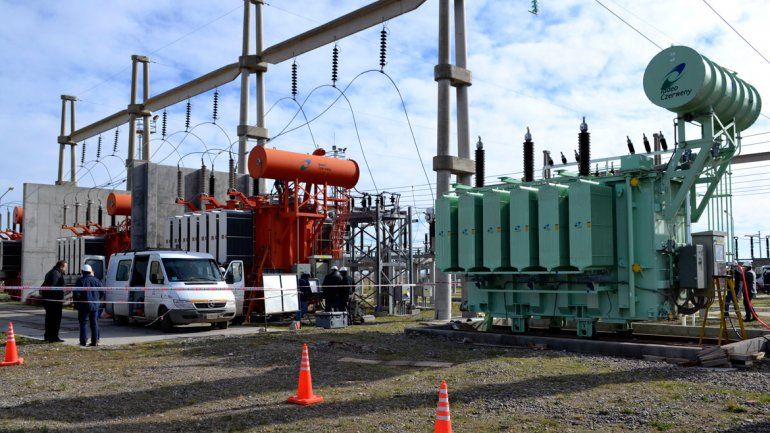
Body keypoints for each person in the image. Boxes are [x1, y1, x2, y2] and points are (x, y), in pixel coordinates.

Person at [73, 264, 103, 347]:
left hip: (83, 306)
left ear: (82, 272)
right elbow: (102, 292)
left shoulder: (80, 281)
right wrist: (96, 299)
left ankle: (83, 342)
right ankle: (95, 341)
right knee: (94, 323)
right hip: (94, 305)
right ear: (91, 271)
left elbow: (76, 294)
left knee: (83, 324)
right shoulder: (97, 280)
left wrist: (76, 304)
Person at [41, 260, 67, 343]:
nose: (66, 269)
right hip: (54, 302)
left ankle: (49, 336)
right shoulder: (56, 274)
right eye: (65, 267)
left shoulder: (52, 272)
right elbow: (54, 288)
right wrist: (58, 299)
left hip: (51, 301)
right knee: (54, 319)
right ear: (61, 267)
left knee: (50, 319)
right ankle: (53, 337)